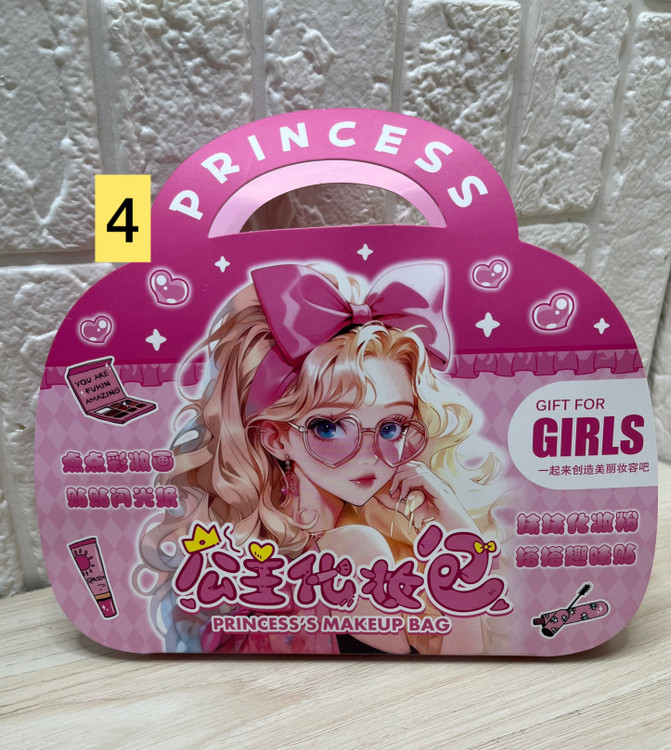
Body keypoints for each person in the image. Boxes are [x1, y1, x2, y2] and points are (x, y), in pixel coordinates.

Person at [135, 262, 502, 654]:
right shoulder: (354, 547)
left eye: (391, 427)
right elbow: (456, 666)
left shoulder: (270, 549)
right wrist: (462, 543)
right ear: (276, 438)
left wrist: (455, 526)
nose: (369, 455)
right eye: (328, 427)